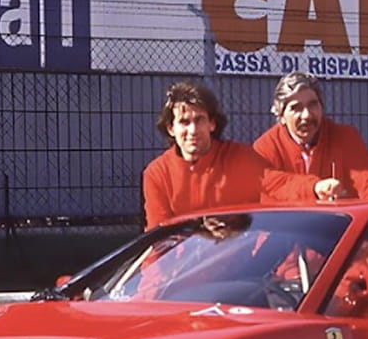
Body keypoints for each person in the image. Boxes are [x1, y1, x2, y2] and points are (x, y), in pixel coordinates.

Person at [142, 80, 339, 229]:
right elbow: (158, 237)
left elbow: (275, 183)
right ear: (170, 128)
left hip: (240, 270)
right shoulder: (157, 174)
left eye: (200, 120)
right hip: (183, 273)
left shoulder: (238, 158)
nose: (193, 130)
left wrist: (314, 187)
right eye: (184, 122)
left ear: (212, 123)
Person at [252, 72, 368, 200]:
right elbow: (268, 182)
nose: (306, 115)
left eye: (313, 105)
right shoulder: (266, 147)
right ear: (281, 116)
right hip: (286, 226)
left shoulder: (345, 138)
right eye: (296, 108)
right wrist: (314, 188)